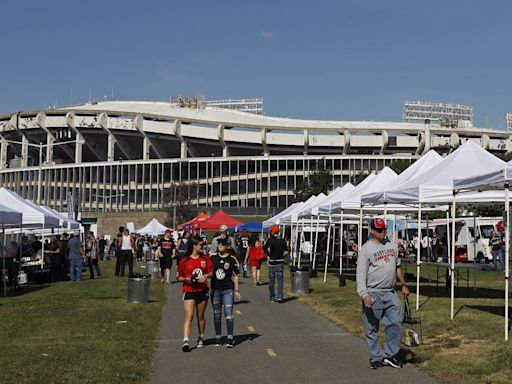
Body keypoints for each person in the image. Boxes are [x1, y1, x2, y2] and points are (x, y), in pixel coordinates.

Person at [356, 217, 409, 369]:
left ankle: (389, 355)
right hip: (373, 293)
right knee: (371, 328)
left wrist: (404, 284)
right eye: (379, 229)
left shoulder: (392, 246)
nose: (383, 231)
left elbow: (397, 267)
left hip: (390, 293)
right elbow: (360, 274)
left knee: (395, 323)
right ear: (372, 231)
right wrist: (364, 294)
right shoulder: (366, 249)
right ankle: (376, 356)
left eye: (384, 229)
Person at [177, 236, 213, 352]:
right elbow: (179, 277)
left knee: (200, 316)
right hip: (189, 290)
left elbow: (211, 272)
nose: (202, 247)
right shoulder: (184, 260)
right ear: (194, 246)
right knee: (189, 315)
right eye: (200, 245)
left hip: (202, 290)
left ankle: (201, 337)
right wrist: (187, 279)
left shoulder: (205, 259)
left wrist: (205, 276)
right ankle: (186, 340)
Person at [210, 238, 241, 347]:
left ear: (228, 246)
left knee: (228, 313)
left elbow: (236, 275)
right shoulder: (212, 258)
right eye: (219, 244)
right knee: (217, 314)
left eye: (223, 244)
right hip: (215, 289)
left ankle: (230, 338)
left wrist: (237, 290)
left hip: (228, 289)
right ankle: (218, 337)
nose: (220, 246)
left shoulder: (232, 259)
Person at [263, 225, 289, 303]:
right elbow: (286, 251)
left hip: (272, 261)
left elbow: (264, 248)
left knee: (272, 280)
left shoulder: (270, 240)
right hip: (280, 261)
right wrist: (282, 255)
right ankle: (280, 296)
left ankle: (272, 297)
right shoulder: (282, 241)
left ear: (272, 232)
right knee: (280, 280)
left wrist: (268, 253)